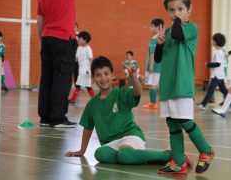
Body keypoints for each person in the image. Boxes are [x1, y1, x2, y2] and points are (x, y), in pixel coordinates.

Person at [65, 56, 193, 167]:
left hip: (131, 136)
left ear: (113, 75)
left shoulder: (121, 93)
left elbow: (137, 92)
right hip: (111, 144)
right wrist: (82, 150)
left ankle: (171, 156)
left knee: (125, 155)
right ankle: (133, 157)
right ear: (93, 78)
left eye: (106, 73)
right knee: (100, 153)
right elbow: (88, 128)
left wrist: (133, 77)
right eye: (98, 75)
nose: (103, 78)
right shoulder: (92, 104)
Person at [154, 0, 214, 174]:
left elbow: (179, 34)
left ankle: (205, 150)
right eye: (171, 10)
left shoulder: (190, 28)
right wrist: (159, 44)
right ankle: (178, 161)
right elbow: (158, 59)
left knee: (184, 120)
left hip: (182, 83)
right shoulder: (170, 32)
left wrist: (177, 21)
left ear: (190, 9)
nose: (175, 13)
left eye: (180, 9)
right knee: (172, 123)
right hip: (167, 84)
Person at [37, 0, 89, 128]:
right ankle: (58, 118)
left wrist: (44, 40)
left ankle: (45, 118)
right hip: (63, 38)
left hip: (47, 38)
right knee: (62, 78)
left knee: (47, 79)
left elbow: (39, 21)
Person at [195, 33, 231, 110]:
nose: (211, 41)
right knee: (224, 90)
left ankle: (203, 104)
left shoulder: (218, 52)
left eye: (212, 40)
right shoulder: (221, 51)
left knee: (210, 90)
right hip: (220, 75)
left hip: (216, 75)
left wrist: (208, 65)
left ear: (215, 42)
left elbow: (218, 64)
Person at [142, 18, 164, 109]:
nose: (150, 28)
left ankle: (153, 103)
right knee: (156, 84)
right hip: (159, 66)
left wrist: (151, 65)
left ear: (158, 27)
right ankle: (156, 102)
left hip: (155, 66)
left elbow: (153, 53)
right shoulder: (162, 38)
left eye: (152, 26)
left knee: (152, 84)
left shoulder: (155, 39)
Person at [69, 31, 94, 103]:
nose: (78, 40)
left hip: (86, 70)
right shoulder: (79, 48)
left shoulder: (88, 49)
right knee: (87, 86)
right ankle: (95, 98)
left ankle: (73, 99)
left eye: (79, 39)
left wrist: (91, 70)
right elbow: (76, 59)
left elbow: (91, 59)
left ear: (85, 40)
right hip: (81, 70)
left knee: (81, 85)